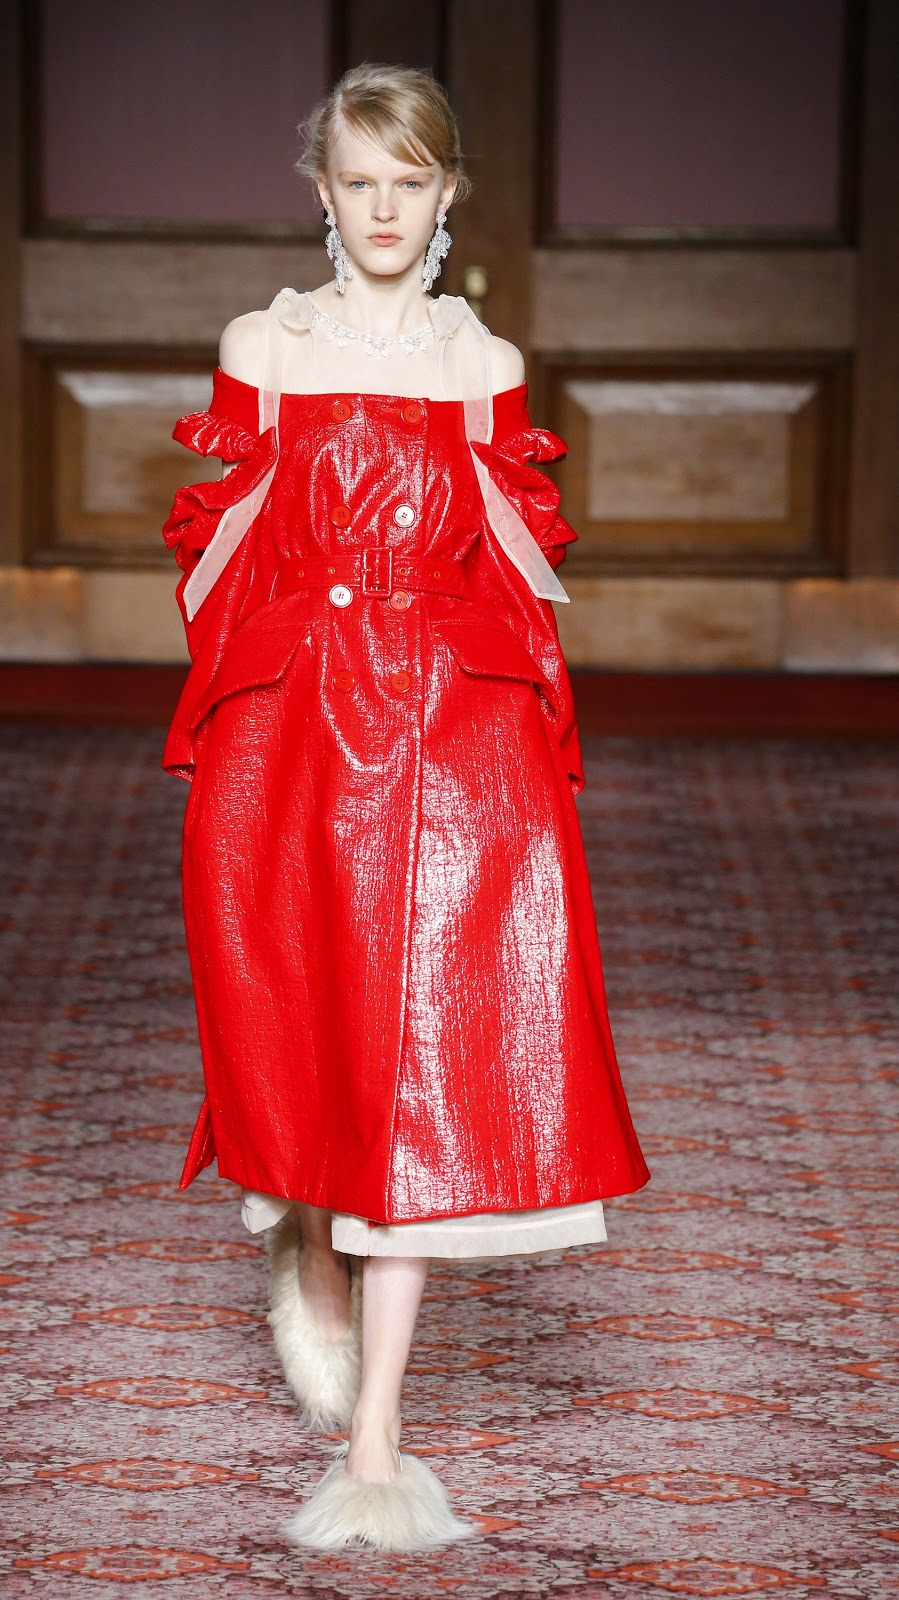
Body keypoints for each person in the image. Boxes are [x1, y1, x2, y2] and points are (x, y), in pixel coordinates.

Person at [160, 62, 650, 1552]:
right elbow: (220, 549)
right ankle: (305, 1241)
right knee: (296, 1009)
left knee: (424, 1047)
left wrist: (532, 739)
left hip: (451, 725)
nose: (384, 209)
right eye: (359, 180)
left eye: (411, 182)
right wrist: (236, 718)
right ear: (322, 191)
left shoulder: (483, 362)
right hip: (299, 718)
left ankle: (376, 1439)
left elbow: (518, 562)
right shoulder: (265, 345)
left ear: (447, 194)